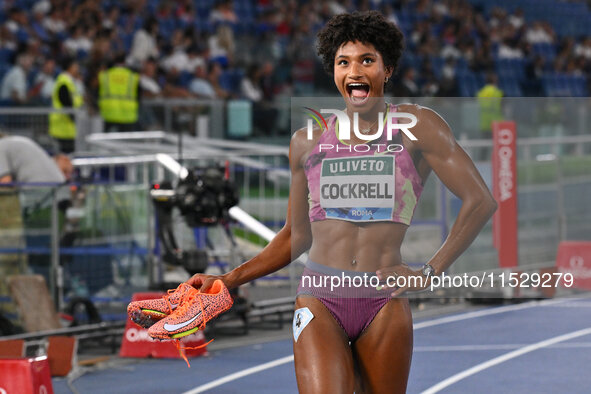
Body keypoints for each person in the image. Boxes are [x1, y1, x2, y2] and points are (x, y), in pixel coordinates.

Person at [144, 11, 496, 392]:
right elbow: (296, 235)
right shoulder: (307, 141)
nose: (354, 71)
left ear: (387, 69)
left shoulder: (417, 127)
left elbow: (480, 200)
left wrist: (429, 271)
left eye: (367, 60)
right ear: (334, 72)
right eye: (343, 62)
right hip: (320, 298)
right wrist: (229, 280)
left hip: (384, 300)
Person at [98, 54, 140, 132]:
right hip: (128, 115)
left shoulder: (105, 75)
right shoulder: (133, 76)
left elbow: (97, 91)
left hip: (109, 114)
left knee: (107, 143)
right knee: (126, 143)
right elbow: (139, 95)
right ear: (125, 62)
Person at [49, 57, 83, 154]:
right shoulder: (64, 82)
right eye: (76, 66)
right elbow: (67, 104)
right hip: (63, 128)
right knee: (66, 158)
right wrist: (75, 119)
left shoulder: (69, 82)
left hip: (67, 128)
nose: (77, 68)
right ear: (70, 67)